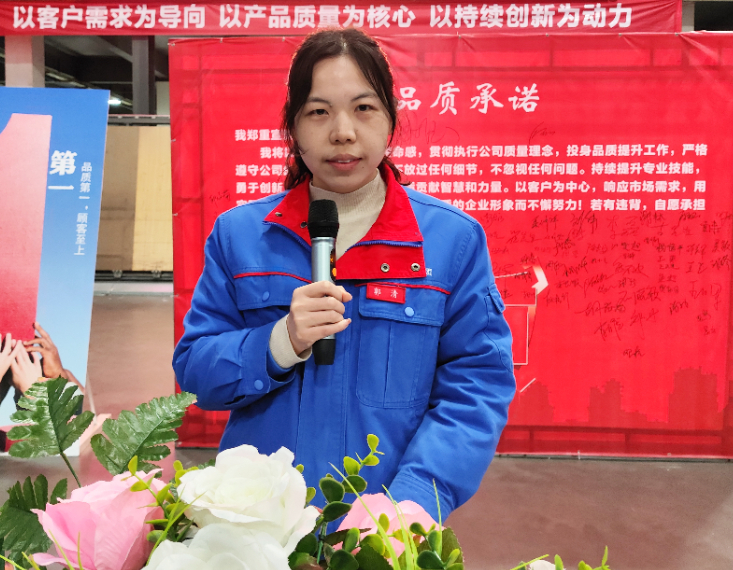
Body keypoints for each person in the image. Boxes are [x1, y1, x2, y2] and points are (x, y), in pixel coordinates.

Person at [173, 29, 516, 518]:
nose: (343, 132)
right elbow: (195, 374)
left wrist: (412, 505)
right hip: (259, 527)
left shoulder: (451, 240)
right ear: (293, 125)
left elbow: (476, 388)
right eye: (319, 111)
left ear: (391, 118)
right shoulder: (240, 236)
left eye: (363, 108)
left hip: (387, 529)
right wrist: (279, 342)